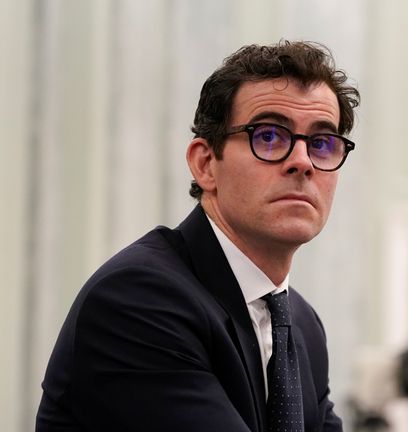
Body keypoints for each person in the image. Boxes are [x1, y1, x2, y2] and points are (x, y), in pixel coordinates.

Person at [36, 40, 359, 432]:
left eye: (322, 143)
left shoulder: (302, 323)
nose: (302, 162)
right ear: (206, 164)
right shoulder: (138, 299)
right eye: (270, 137)